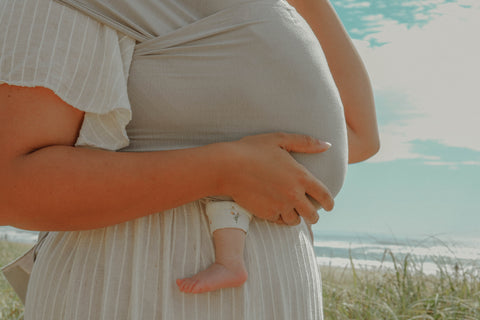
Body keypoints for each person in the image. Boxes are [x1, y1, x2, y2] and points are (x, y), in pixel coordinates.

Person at [0, 0, 379, 319]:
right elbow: (10, 186)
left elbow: (359, 137)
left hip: (280, 296)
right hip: (135, 292)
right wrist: (223, 170)